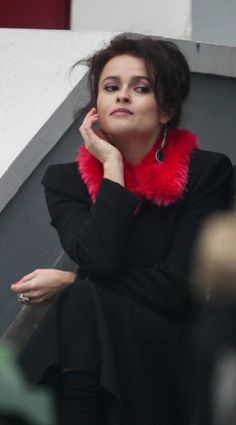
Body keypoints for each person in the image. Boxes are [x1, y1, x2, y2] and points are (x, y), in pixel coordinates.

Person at [18, 34, 233, 425]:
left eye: (141, 88)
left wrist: (71, 282)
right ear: (95, 108)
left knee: (79, 300)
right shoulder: (65, 182)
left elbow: (175, 287)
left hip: (167, 344)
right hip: (98, 336)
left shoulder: (206, 173)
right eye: (111, 87)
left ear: (165, 109)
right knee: (82, 306)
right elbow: (97, 257)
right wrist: (112, 171)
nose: (122, 96)